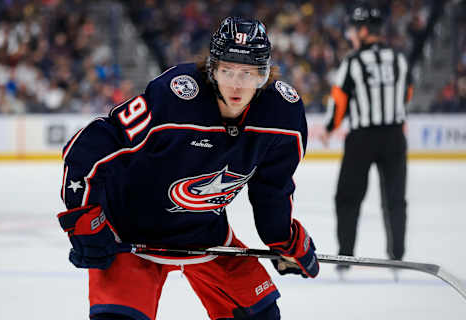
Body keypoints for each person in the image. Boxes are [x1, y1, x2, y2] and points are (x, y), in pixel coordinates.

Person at [57, 16, 319, 320]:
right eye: (228, 70)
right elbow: (88, 148)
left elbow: (271, 190)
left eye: (248, 73)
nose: (236, 84)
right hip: (128, 232)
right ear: (212, 69)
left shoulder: (282, 116)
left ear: (264, 75)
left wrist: (283, 240)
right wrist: (84, 219)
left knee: (261, 316)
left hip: (205, 235)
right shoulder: (175, 97)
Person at [320, 3, 413, 273]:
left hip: (362, 138)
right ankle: (398, 257)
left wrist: (329, 128)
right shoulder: (399, 58)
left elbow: (339, 101)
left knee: (347, 198)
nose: (350, 36)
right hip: (394, 135)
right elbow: (407, 94)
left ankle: (346, 257)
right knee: (395, 198)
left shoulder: (353, 61)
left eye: (353, 31)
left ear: (362, 30)